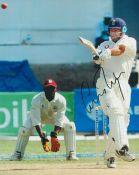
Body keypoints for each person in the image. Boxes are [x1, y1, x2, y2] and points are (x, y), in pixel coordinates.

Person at [92, 18, 137, 168]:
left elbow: (120, 50)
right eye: (111, 30)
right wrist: (98, 57)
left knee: (122, 122)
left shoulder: (130, 41)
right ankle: (122, 148)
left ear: (123, 30)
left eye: (116, 30)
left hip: (123, 85)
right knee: (116, 112)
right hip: (106, 84)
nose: (113, 32)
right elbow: (96, 60)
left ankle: (109, 155)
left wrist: (108, 52)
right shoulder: (103, 44)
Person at [11, 78, 78, 161]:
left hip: (54, 116)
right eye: (48, 88)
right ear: (44, 89)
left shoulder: (61, 100)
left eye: (52, 88)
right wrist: (42, 135)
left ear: (55, 89)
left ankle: (71, 154)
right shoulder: (36, 99)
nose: (50, 90)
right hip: (40, 116)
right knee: (24, 129)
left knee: (70, 126)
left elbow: (59, 119)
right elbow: (36, 119)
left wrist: (54, 136)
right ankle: (18, 154)